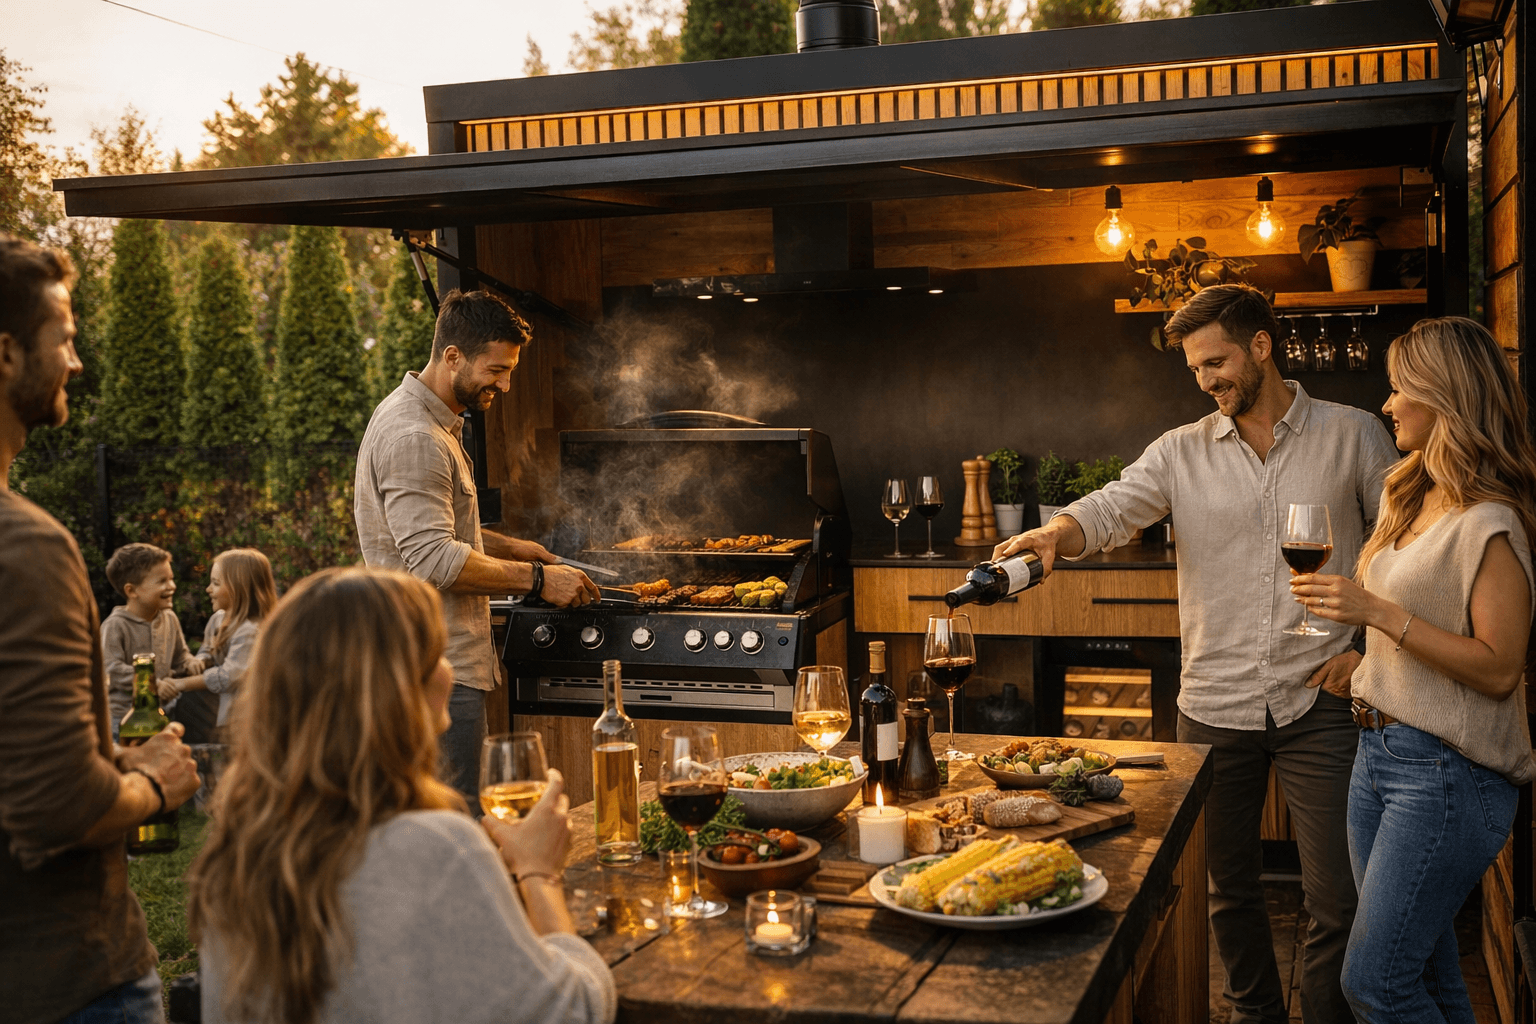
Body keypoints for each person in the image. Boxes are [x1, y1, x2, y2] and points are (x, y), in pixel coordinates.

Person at [994, 284, 1399, 1024]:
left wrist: (1367, 649)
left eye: (1216, 362)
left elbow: (1399, 548)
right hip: (1213, 704)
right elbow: (1113, 507)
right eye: (1195, 370)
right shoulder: (1180, 450)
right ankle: (1253, 1014)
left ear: (1262, 346)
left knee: (1341, 896)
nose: (1207, 380)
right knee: (1226, 888)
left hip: (1324, 699)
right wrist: (1056, 535)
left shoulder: (1355, 435)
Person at [189, 566, 616, 1024]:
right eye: (438, 653)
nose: (449, 672)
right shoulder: (433, 845)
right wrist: (538, 872)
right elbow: (572, 1011)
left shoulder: (235, 856)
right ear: (401, 688)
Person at [1289, 317, 1536, 1024]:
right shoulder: (1415, 494)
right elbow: (1420, 625)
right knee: (1425, 974)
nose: (1388, 403)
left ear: (1445, 397)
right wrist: (1365, 663)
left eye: (1401, 389)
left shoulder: (1492, 522)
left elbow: (1497, 669)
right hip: (1377, 754)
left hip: (1447, 775)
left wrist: (1375, 615)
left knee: (1373, 984)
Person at [0, 232, 201, 1024]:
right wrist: (155, 781)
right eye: (68, 340)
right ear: (7, 354)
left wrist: (101, 754)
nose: (77, 364)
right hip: (64, 980)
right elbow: (54, 810)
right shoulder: (25, 548)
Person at [355, 288, 599, 804]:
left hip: (436, 663)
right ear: (452, 356)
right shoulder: (415, 436)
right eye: (496, 370)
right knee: (456, 821)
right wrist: (539, 580)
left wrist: (511, 547)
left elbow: (431, 532)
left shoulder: (426, 422)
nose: (506, 384)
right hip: (434, 667)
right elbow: (432, 559)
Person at [156, 548, 278, 735]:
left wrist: (182, 684)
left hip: (245, 716)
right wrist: (201, 660)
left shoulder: (251, 631)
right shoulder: (218, 619)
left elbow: (229, 677)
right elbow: (208, 650)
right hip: (222, 712)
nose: (208, 589)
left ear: (239, 588)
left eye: (215, 583)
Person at [102, 541, 203, 739]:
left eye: (171, 579)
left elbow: (180, 655)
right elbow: (111, 669)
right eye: (162, 581)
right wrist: (152, 684)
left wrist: (190, 662)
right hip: (125, 721)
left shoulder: (169, 618)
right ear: (132, 591)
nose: (172, 586)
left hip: (162, 715)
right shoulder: (115, 626)